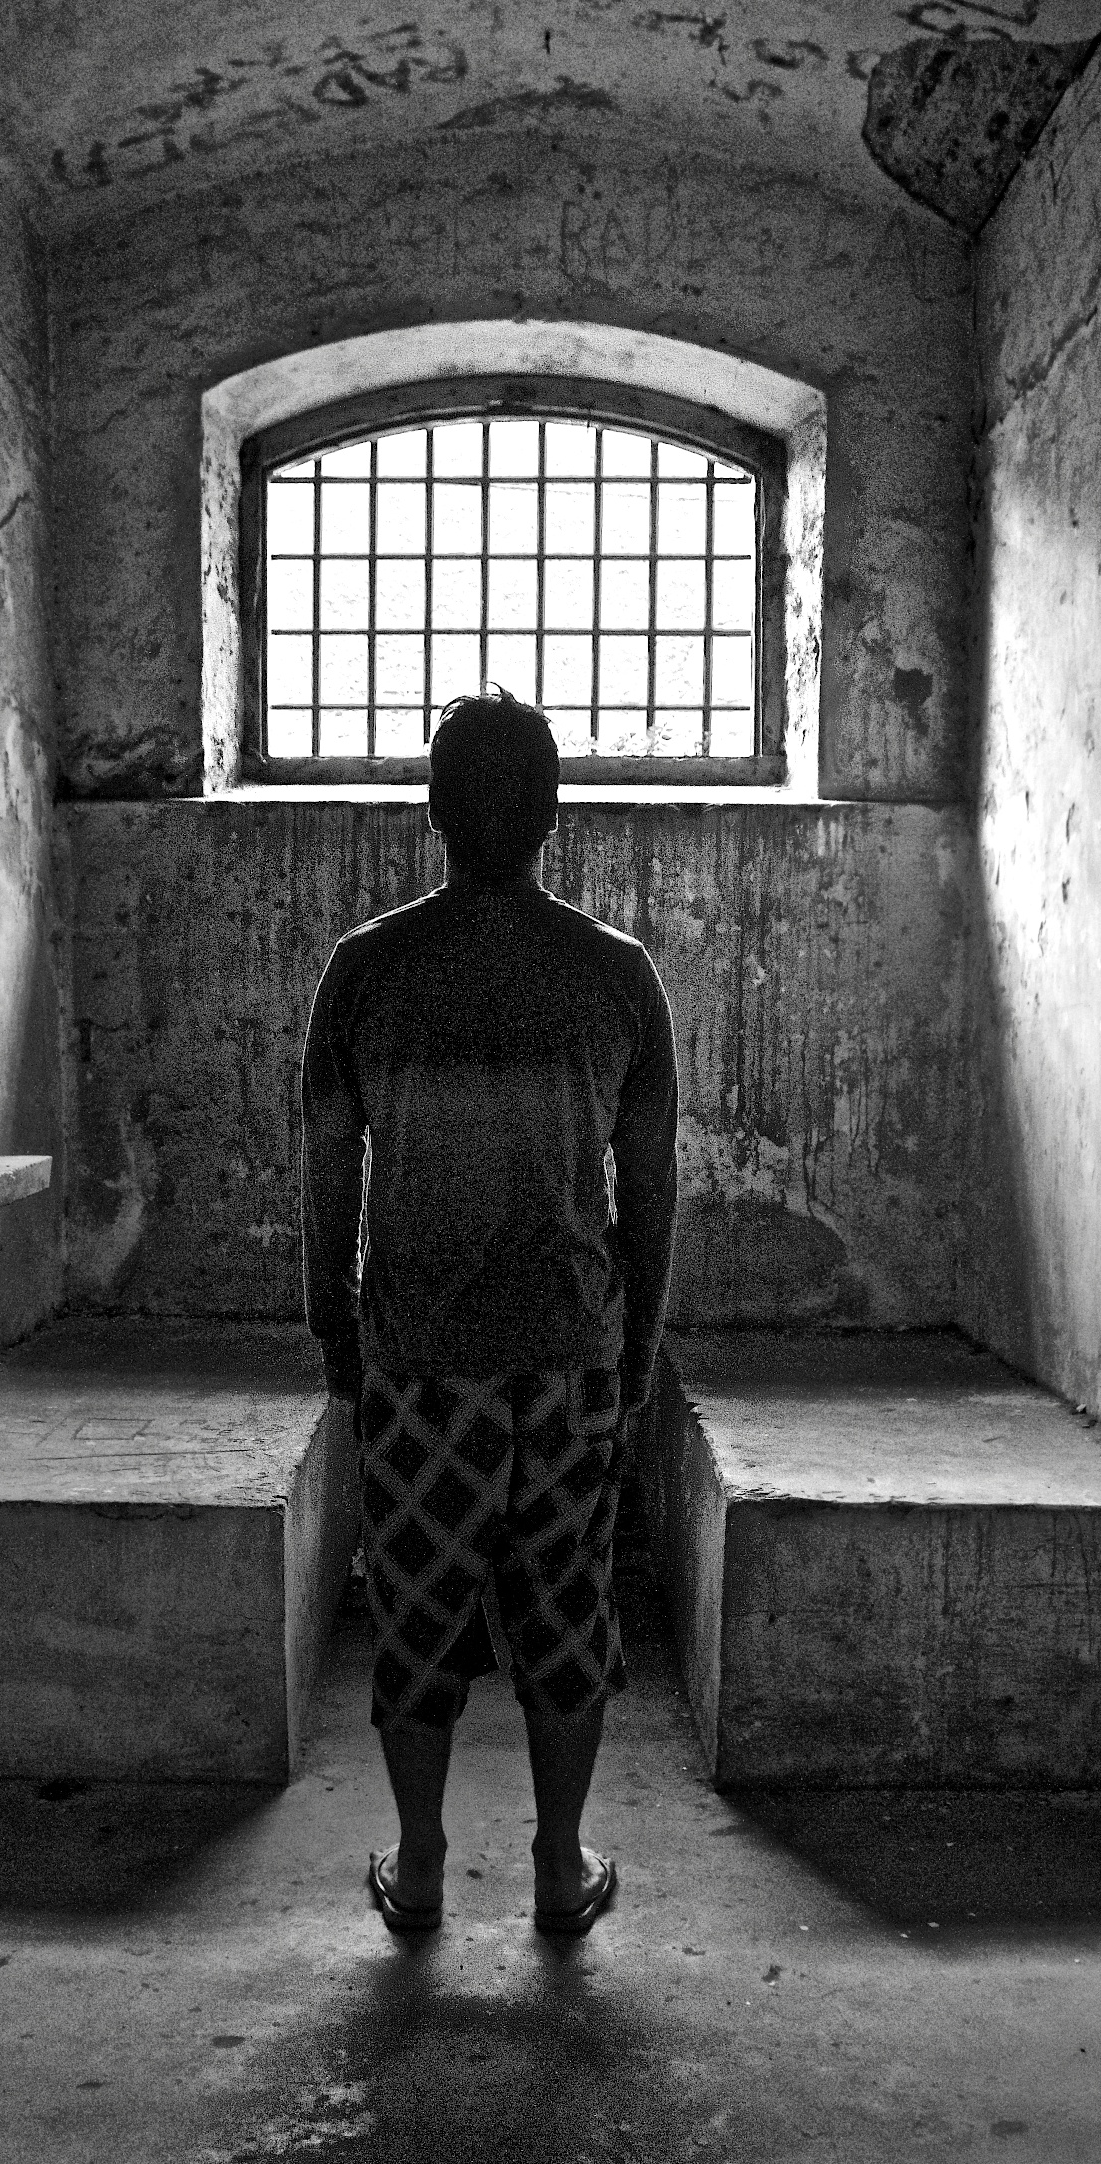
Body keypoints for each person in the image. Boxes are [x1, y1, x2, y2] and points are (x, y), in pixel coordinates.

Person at [300, 688, 679, 1937]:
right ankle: (559, 1869)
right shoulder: (617, 976)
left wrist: (337, 1335)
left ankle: (419, 1867)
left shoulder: (367, 971)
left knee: (416, 1614)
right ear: (554, 816)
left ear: (434, 814)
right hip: (568, 1354)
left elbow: (329, 1172)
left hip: (421, 1362)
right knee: (566, 1615)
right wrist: (636, 1353)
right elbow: (651, 1190)